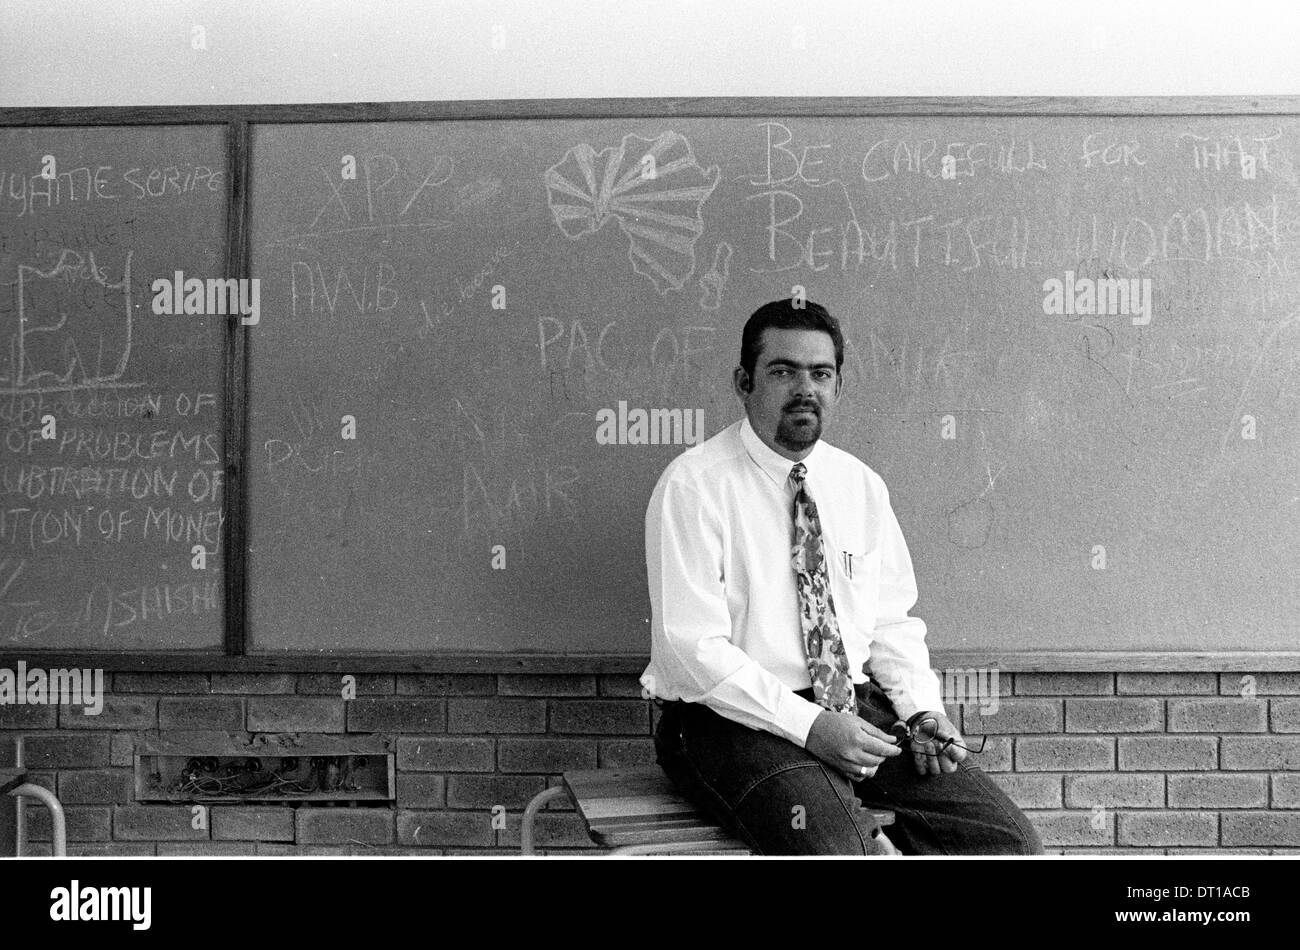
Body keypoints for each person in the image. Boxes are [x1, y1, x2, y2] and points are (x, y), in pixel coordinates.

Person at [640, 297, 1044, 855]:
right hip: (724, 721)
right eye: (783, 371)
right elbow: (692, 650)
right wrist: (808, 727)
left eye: (820, 373)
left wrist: (922, 712)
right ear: (744, 382)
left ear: (838, 388)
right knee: (841, 848)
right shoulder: (693, 486)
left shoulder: (859, 486)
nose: (804, 388)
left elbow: (891, 624)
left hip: (849, 707)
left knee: (1005, 842)